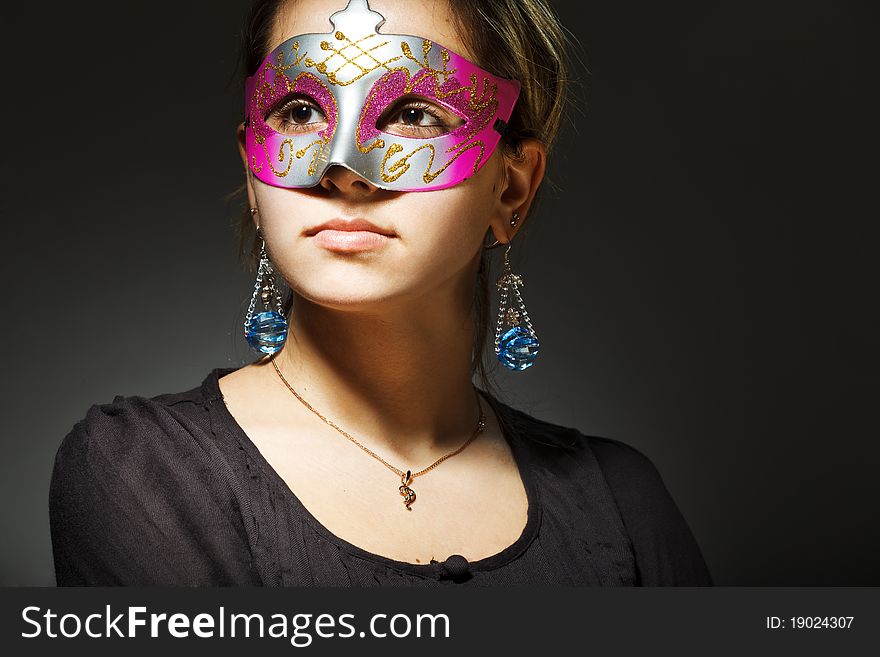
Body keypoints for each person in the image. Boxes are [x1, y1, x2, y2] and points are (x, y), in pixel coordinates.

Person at [49, 0, 713, 586]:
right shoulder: (142, 472)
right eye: (300, 109)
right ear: (253, 171)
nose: (342, 167)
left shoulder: (622, 504)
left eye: (414, 112)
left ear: (511, 187)